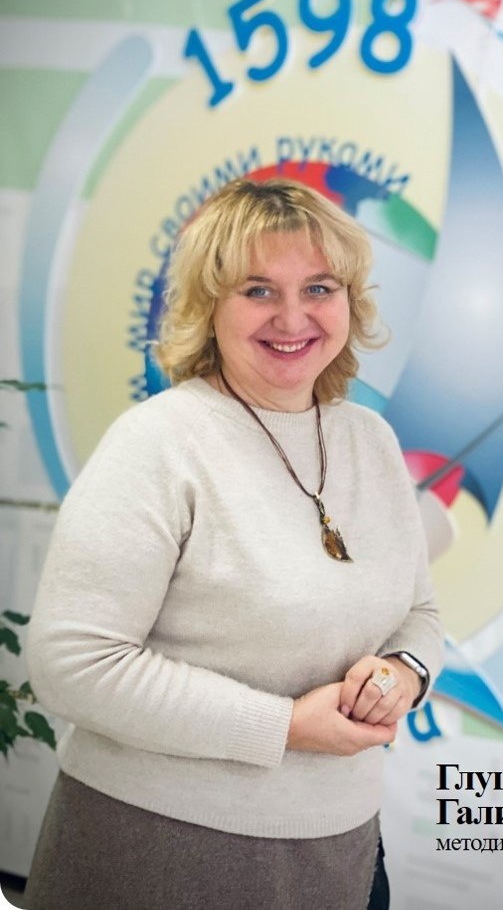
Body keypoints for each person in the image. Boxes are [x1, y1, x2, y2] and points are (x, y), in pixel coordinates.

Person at [24, 178, 444, 910]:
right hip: (159, 851)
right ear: (208, 305)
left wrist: (403, 675)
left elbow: (420, 615)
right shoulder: (158, 444)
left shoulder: (370, 441)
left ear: (350, 302)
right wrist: (284, 727)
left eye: (319, 287)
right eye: (258, 290)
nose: (293, 316)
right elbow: (73, 665)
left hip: (342, 851)